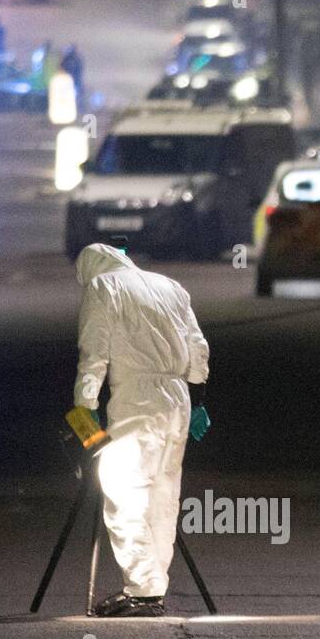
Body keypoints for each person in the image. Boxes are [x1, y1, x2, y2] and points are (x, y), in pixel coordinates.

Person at [73, 243, 210, 618]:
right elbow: (199, 346)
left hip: (136, 399)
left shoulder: (103, 288)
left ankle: (144, 591)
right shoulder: (169, 285)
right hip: (177, 398)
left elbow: (94, 356)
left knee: (125, 490)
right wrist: (197, 397)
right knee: (164, 492)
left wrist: (84, 410)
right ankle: (152, 585)